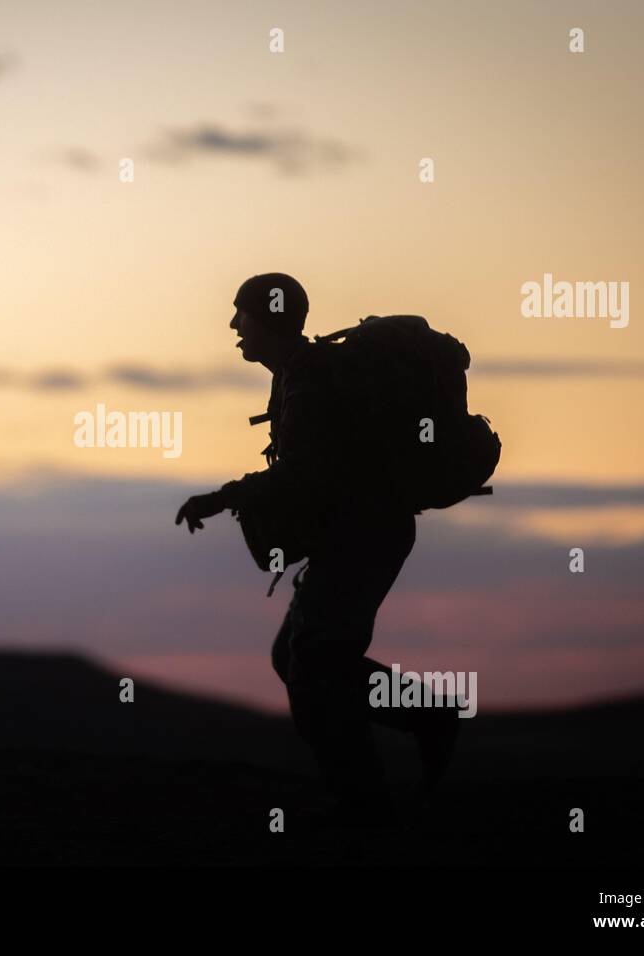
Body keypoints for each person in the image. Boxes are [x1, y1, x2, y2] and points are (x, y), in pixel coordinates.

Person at [175, 273, 459, 821]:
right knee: (300, 658)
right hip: (354, 538)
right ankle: (423, 722)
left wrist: (222, 497)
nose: (234, 326)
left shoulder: (310, 380)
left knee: (315, 668)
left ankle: (365, 801)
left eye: (243, 315)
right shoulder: (297, 375)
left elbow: (305, 474)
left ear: (271, 319)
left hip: (366, 539)